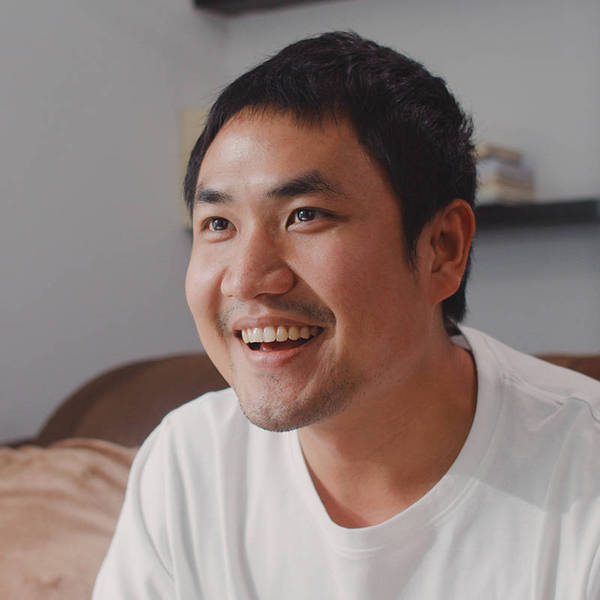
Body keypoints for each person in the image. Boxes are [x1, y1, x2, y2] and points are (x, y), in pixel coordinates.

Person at [93, 31, 600, 598]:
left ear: (442, 249)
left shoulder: (583, 473)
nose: (245, 277)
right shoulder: (188, 461)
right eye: (218, 224)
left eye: (305, 215)